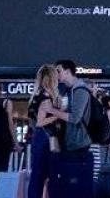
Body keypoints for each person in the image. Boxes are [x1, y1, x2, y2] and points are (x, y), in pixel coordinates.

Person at [47, 59, 94, 197]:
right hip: (69, 145)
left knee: (74, 186)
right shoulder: (68, 91)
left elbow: (75, 118)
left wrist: (52, 110)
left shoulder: (80, 90)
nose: (57, 74)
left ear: (68, 71)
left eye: (58, 71)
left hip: (77, 146)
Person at [27, 65, 64, 198]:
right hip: (47, 139)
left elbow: (33, 120)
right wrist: (60, 115)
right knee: (52, 176)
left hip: (38, 138)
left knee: (36, 176)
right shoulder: (46, 97)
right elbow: (40, 122)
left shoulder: (36, 95)